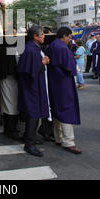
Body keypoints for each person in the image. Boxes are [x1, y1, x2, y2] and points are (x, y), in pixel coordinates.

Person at [17, 25, 52, 157]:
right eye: (42, 34)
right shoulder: (31, 50)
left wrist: (43, 61)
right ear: (35, 36)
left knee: (35, 114)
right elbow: (27, 70)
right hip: (32, 88)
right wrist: (42, 63)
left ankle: (30, 137)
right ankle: (29, 144)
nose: (44, 36)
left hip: (36, 86)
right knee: (33, 115)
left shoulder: (34, 47)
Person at [46, 27, 82, 155]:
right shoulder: (62, 48)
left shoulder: (52, 46)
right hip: (63, 82)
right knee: (67, 110)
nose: (70, 40)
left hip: (53, 82)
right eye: (69, 37)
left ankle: (58, 137)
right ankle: (68, 141)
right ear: (65, 36)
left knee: (56, 109)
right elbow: (71, 67)